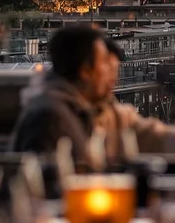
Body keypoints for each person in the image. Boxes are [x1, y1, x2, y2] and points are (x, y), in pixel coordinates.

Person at [96, 37, 175, 159]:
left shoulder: (114, 112)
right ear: (85, 71)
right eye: (109, 70)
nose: (114, 79)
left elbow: (155, 134)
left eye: (116, 71)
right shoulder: (81, 121)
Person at [11, 25, 110, 163]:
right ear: (86, 71)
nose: (109, 70)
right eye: (104, 62)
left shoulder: (68, 109)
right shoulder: (50, 118)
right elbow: (42, 180)